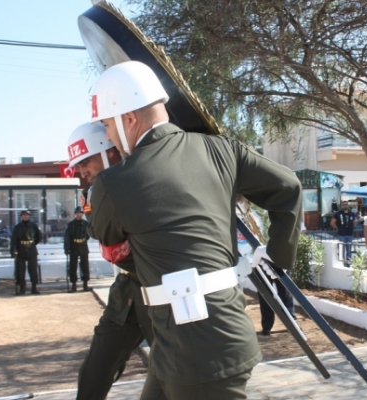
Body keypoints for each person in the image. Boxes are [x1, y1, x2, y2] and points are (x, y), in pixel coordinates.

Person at [86, 61, 302, 399]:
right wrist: (277, 259)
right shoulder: (223, 149)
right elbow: (288, 187)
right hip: (208, 341)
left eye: (108, 127)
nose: (108, 137)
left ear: (128, 119)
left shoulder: (111, 184)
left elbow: (118, 251)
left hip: (195, 355)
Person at [65, 122, 157, 400]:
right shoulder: (95, 196)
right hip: (126, 295)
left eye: (86, 161)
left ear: (110, 152)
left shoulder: (145, 178)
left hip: (161, 295)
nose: (81, 171)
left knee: (172, 375)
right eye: (78, 164)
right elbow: (110, 242)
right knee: (95, 371)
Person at [11, 210, 42, 295]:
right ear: (21, 216)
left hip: (31, 250)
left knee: (33, 270)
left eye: (27, 215)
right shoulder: (17, 227)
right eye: (24, 215)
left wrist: (32, 244)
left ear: (29, 216)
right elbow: (14, 240)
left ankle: (34, 287)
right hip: (21, 251)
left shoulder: (33, 226)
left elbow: (39, 237)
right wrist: (13, 251)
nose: (25, 216)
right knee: (20, 270)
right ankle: (22, 288)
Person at [64, 206, 90, 292]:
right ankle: (73, 285)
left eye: (80, 213)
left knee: (85, 266)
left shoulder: (86, 224)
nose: (79, 214)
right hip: (74, 246)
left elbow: (88, 235)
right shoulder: (70, 225)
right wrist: (67, 248)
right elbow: (67, 237)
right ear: (75, 214)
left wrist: (83, 240)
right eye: (77, 213)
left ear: (82, 214)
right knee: (73, 266)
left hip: (83, 246)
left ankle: (85, 284)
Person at [331, 200, 357, 267]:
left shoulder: (352, 214)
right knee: (342, 250)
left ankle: (348, 264)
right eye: (344, 204)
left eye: (346, 204)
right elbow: (332, 223)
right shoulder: (338, 214)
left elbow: (354, 222)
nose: (345, 206)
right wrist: (338, 228)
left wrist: (351, 227)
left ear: (348, 205)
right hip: (341, 234)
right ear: (342, 206)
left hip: (349, 234)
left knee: (349, 250)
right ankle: (342, 264)